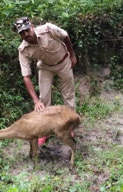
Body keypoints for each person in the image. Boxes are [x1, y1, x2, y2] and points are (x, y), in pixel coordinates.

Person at [14, 17, 77, 146]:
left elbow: (65, 36)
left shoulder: (48, 29)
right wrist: (35, 101)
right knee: (43, 98)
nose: (26, 35)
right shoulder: (23, 49)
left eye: (27, 30)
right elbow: (26, 76)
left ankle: (69, 126)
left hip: (63, 62)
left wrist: (72, 55)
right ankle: (45, 131)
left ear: (31, 26)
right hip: (45, 67)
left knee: (68, 95)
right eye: (22, 33)